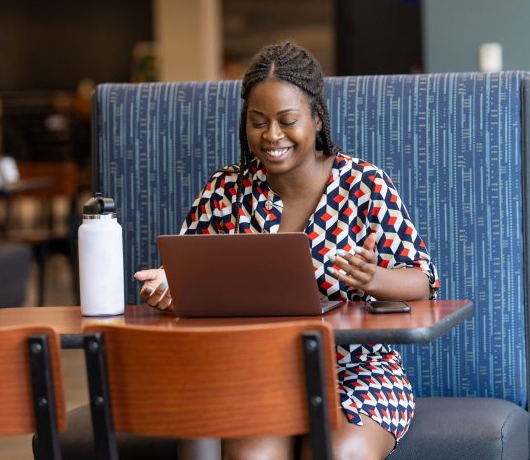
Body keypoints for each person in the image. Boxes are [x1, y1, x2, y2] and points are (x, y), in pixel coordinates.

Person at [135, 41, 438, 460]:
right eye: (258, 121)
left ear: (316, 117)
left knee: (339, 452)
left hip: (355, 371)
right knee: (251, 456)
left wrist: (375, 278)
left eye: (287, 120)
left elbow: (422, 283)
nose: (272, 135)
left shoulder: (365, 185)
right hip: (250, 371)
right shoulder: (225, 192)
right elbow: (189, 284)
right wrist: (168, 290)